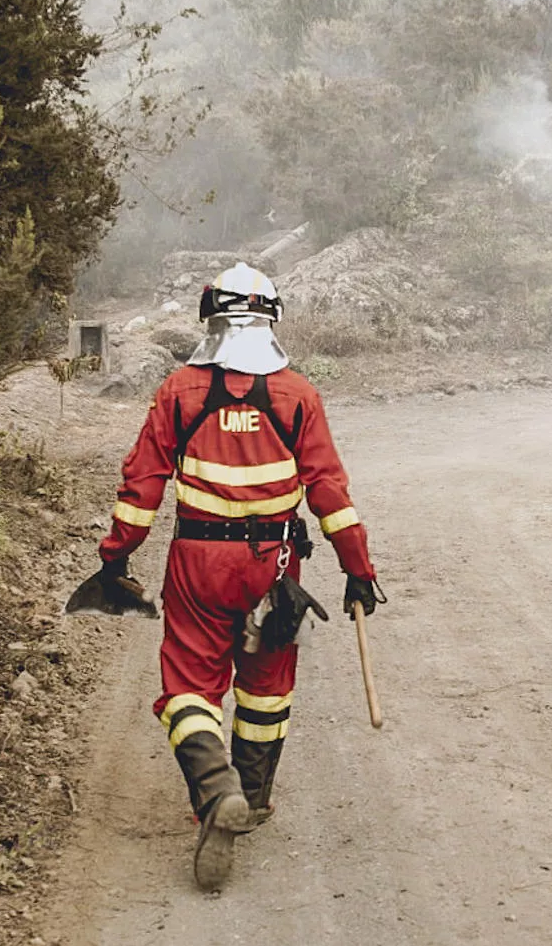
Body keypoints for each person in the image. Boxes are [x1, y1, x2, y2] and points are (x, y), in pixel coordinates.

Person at [95, 261, 382, 889]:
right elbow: (330, 492)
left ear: (210, 316)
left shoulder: (179, 390)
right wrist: (358, 570)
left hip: (198, 563)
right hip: (276, 568)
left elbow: (141, 486)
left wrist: (115, 554)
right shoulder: (298, 395)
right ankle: (248, 797)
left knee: (189, 688)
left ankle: (214, 787)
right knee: (268, 684)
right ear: (272, 318)